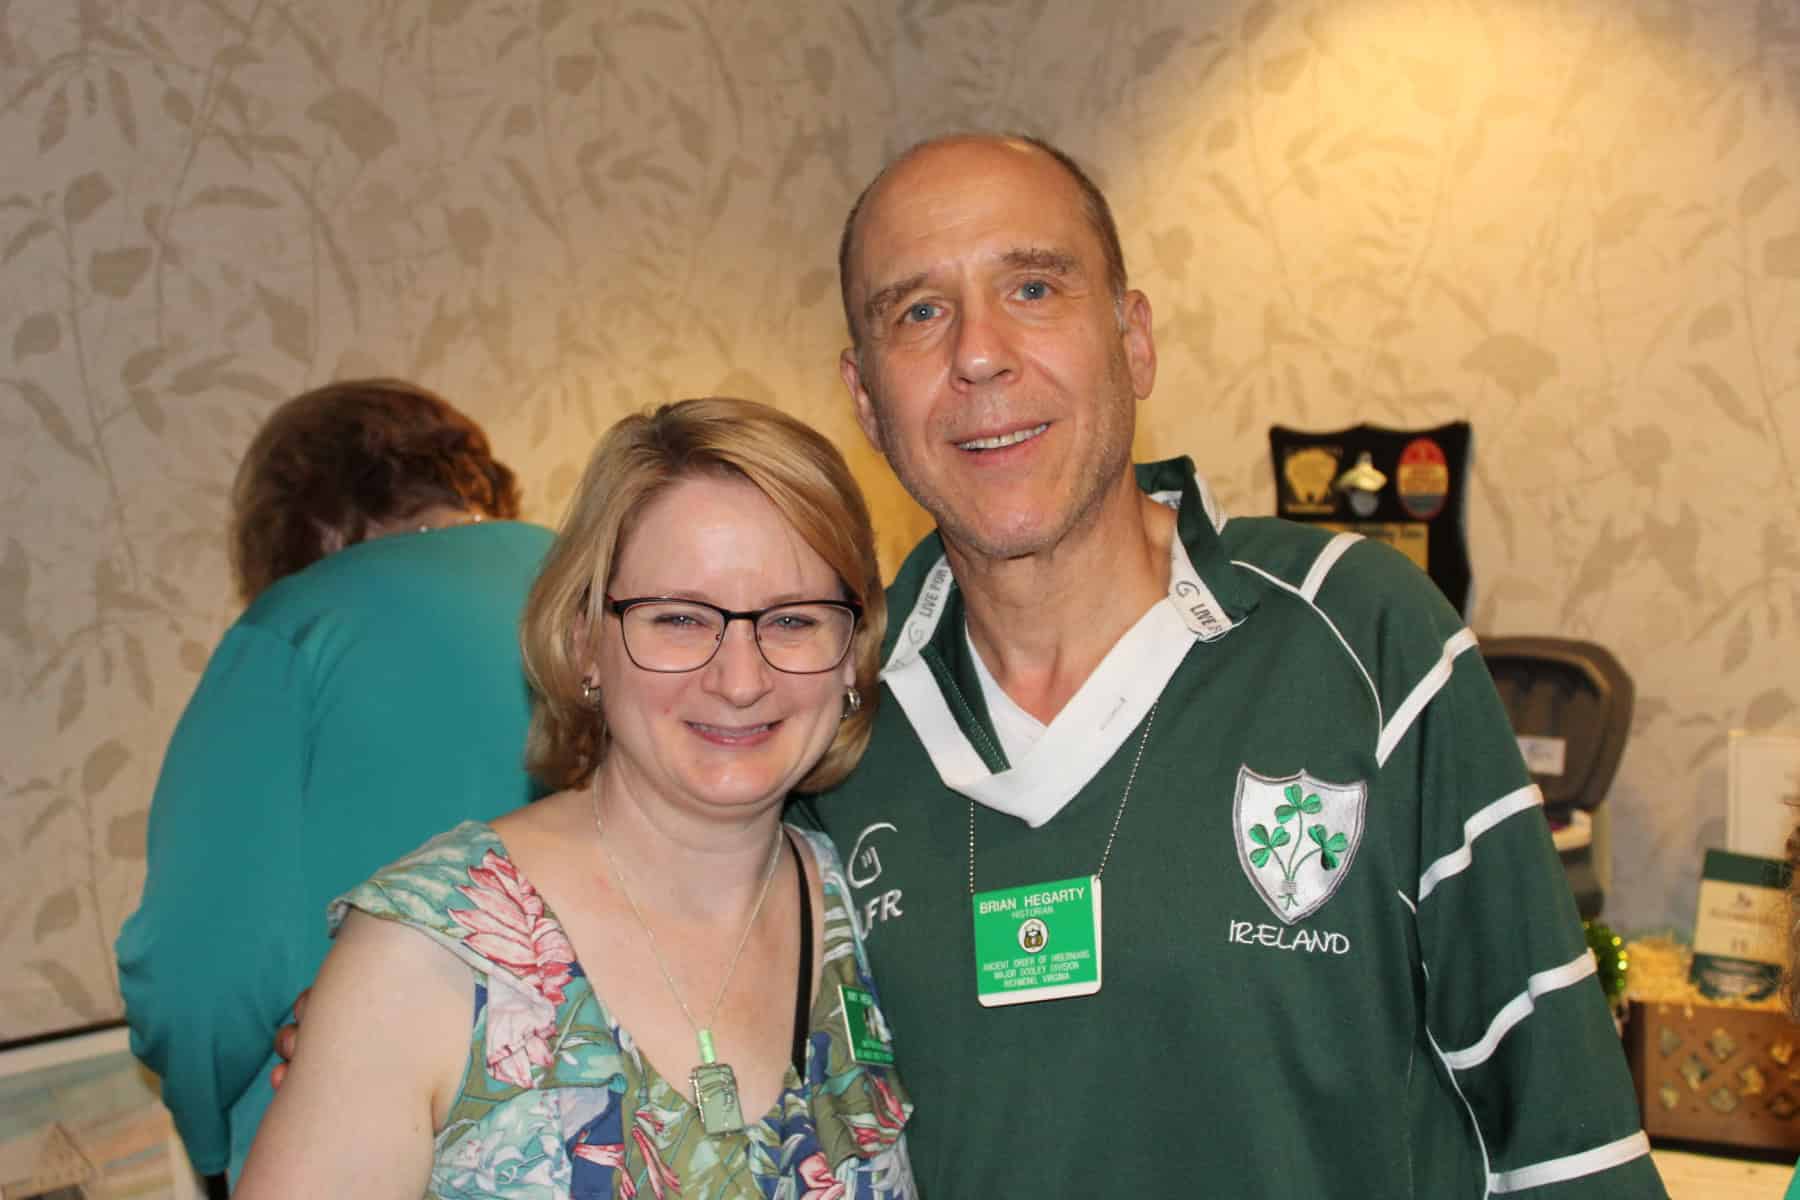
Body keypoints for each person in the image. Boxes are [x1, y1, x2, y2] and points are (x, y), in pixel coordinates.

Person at [791, 132, 1667, 1197]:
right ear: (866, 399)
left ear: (1134, 341)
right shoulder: (826, 721)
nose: (979, 353)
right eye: (919, 312)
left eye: (1033, 287)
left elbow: (1571, 1141)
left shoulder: (1366, 635)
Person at [236, 397, 913, 1199]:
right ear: (586, 641)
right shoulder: (428, 956)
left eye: (794, 621)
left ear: (852, 653)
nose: (740, 679)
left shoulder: (869, 908)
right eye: (679, 619)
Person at [115, 379, 555, 1189]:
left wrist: (208, 1147)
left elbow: (194, 978)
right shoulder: (600, 583)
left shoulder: (295, 629)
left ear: (312, 526)